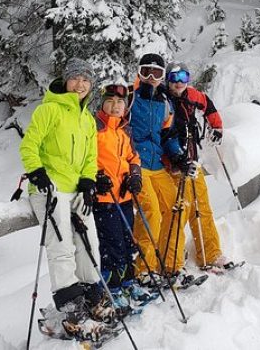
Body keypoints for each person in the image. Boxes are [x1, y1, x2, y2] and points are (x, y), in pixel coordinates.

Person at [19, 57, 113, 334]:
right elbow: (29, 145)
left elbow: (91, 156)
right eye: (75, 78)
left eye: (86, 79)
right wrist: (37, 172)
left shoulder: (86, 118)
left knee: (89, 245)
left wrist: (87, 180)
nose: (80, 84)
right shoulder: (48, 110)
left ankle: (92, 299)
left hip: (76, 190)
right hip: (50, 190)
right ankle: (72, 311)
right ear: (66, 80)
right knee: (61, 249)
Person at [128, 53, 195, 283]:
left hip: (157, 165)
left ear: (162, 76)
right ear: (139, 72)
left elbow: (168, 135)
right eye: (146, 71)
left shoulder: (164, 103)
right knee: (152, 212)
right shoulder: (130, 98)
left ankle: (171, 264)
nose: (150, 77)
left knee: (178, 206)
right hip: (137, 164)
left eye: (156, 73)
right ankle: (145, 268)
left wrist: (177, 157)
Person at [166, 61, 236, 270]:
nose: (179, 83)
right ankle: (173, 260)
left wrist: (217, 128)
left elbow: (208, 105)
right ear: (167, 80)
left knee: (202, 208)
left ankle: (210, 254)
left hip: (192, 162)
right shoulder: (163, 101)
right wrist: (176, 158)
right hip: (173, 166)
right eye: (174, 78)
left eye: (184, 78)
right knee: (179, 212)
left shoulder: (192, 95)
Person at [93, 83, 153, 310]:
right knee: (112, 245)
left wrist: (135, 175)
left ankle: (128, 282)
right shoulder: (94, 128)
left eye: (120, 103)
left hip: (124, 196)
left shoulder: (124, 129)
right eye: (110, 102)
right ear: (103, 104)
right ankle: (112, 288)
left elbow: (133, 157)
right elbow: (84, 158)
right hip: (104, 198)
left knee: (129, 241)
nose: (115, 106)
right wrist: (96, 176)